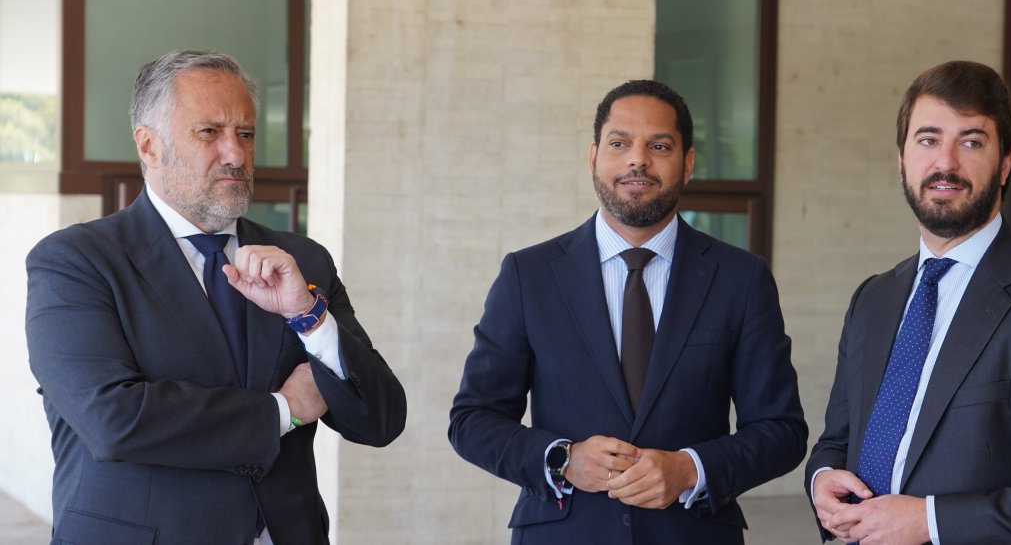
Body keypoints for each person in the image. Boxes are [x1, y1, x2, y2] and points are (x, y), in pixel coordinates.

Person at [25, 49, 407, 545]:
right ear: (149, 146)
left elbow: (380, 420)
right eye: (210, 132)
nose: (236, 154)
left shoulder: (302, 260)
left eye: (246, 134)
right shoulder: (75, 261)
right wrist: (282, 410)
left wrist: (308, 318)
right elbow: (114, 420)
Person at [448, 80, 807, 544]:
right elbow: (473, 420)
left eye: (659, 145)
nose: (638, 159)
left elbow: (782, 430)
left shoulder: (741, 278)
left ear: (689, 162)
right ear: (594, 156)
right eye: (620, 144)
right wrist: (562, 457)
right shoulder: (529, 275)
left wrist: (689, 469)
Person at [805, 60, 1011, 544]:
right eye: (928, 139)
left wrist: (928, 522)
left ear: (1005, 164)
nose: (946, 163)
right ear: (901, 159)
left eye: (972, 142)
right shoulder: (873, 298)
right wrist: (823, 477)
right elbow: (838, 439)